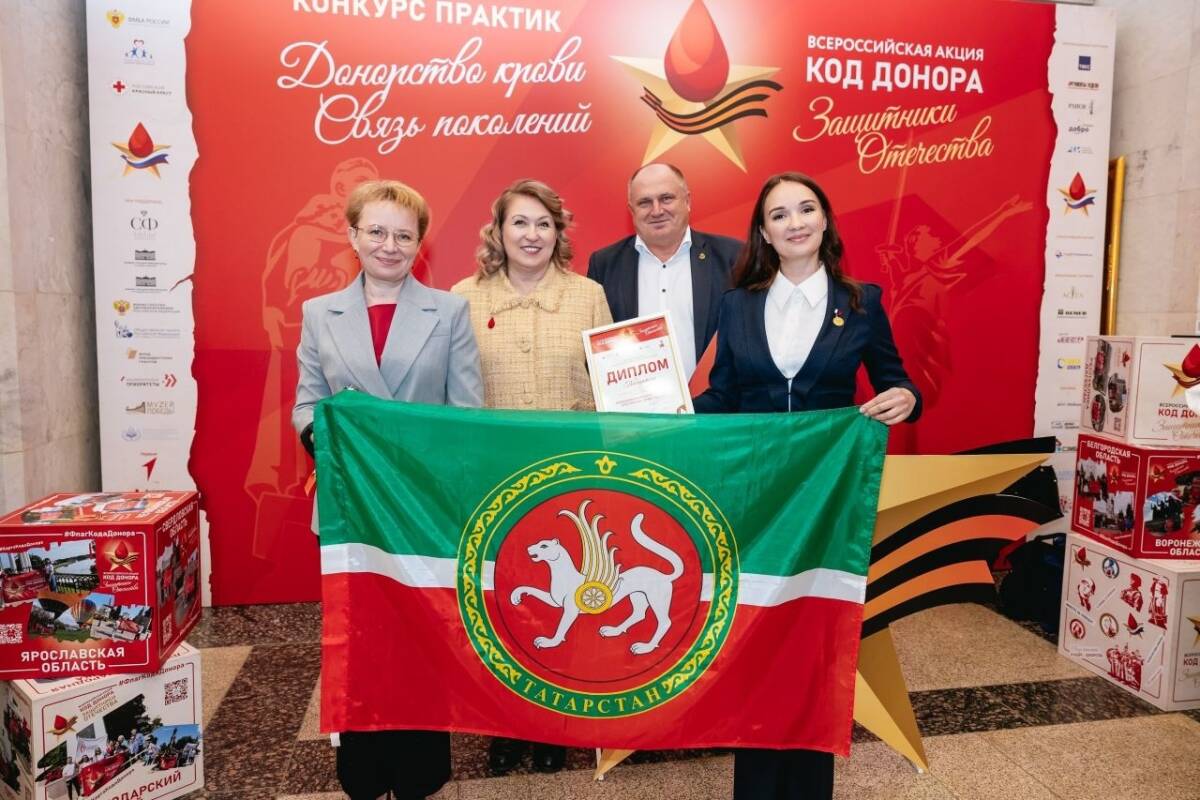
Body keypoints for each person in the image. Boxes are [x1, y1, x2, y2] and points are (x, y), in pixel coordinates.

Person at [693, 172, 920, 800]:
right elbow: (721, 396)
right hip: (754, 498)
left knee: (817, 637)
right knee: (755, 633)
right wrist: (663, 415)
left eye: (805, 209)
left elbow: (897, 380)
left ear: (824, 221)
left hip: (827, 497)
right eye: (779, 214)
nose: (794, 222)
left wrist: (906, 397)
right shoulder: (737, 305)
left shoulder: (863, 301)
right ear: (763, 232)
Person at [293, 179, 483, 800]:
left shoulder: (449, 312)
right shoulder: (319, 313)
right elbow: (306, 405)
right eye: (376, 231)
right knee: (360, 638)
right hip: (351, 506)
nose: (389, 245)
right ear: (352, 236)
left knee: (421, 639)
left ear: (420, 243)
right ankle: (363, 767)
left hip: (422, 510)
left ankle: (421, 768)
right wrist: (331, 442)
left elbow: (466, 416)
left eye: (404, 234)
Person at [452, 179, 611, 773]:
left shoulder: (589, 295)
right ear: (498, 231)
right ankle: (504, 724)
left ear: (558, 233)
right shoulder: (462, 297)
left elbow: (610, 386)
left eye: (544, 223)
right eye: (520, 222)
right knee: (500, 601)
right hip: (493, 481)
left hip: (568, 483)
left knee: (562, 607)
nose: (532, 234)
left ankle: (553, 727)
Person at [587, 163, 740, 380]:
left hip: (715, 400)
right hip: (634, 400)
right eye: (644, 202)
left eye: (666, 198)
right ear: (631, 210)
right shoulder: (604, 264)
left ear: (687, 201)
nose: (657, 210)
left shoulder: (732, 257)